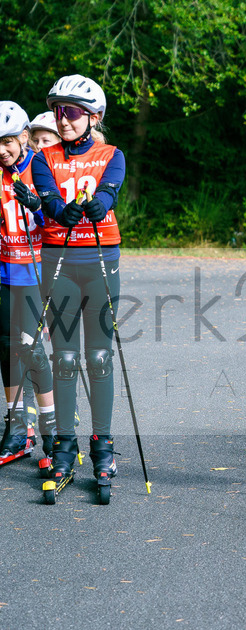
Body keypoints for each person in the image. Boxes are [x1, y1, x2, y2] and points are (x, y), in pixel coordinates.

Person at [14, 75, 126, 489]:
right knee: (63, 359)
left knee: (98, 358)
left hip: (99, 261)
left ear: (93, 117)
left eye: (72, 112)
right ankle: (63, 446)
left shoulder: (112, 153)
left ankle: (102, 445)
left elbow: (111, 188)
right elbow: (49, 201)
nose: (63, 119)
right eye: (58, 111)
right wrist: (60, 212)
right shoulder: (45, 158)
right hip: (58, 260)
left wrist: (102, 202)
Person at [0, 101, 58, 465]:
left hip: (36, 274)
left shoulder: (41, 168)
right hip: (5, 272)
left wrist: (36, 204)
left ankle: (53, 432)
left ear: (24, 137)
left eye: (6, 141)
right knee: (6, 347)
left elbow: (60, 220)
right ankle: (17, 428)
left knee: (31, 349)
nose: (1, 151)